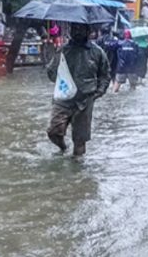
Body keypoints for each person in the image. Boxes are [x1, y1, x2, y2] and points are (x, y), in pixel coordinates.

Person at [46, 23, 111, 157]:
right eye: (74, 29)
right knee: (53, 131)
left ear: (88, 31)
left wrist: (98, 92)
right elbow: (51, 71)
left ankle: (76, 169)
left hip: (85, 100)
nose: (77, 32)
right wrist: (61, 82)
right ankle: (63, 148)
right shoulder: (63, 50)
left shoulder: (97, 52)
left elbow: (105, 75)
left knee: (80, 140)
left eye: (81, 29)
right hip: (63, 99)